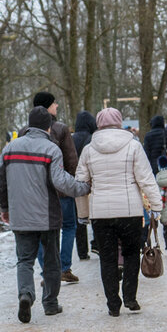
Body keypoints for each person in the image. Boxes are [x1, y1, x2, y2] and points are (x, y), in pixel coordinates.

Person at [0, 107, 90, 322]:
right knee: (51, 261)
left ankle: (25, 295)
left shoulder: (10, 148)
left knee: (25, 260)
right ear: (49, 126)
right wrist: (83, 188)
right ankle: (50, 303)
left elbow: (0, 182)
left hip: (20, 215)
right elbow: (61, 182)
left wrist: (5, 208)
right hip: (47, 215)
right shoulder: (51, 149)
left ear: (29, 125)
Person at [77, 107, 162, 316]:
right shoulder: (133, 146)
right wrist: (156, 206)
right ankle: (131, 298)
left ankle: (113, 304)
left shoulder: (89, 149)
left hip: (101, 214)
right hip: (130, 211)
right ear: (120, 122)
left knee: (107, 258)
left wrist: (83, 213)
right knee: (132, 254)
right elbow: (146, 178)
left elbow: (80, 184)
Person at [20, 91, 79, 283]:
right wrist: (73, 185)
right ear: (47, 107)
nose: (57, 106)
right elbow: (71, 160)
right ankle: (63, 267)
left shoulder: (23, 132)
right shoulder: (61, 129)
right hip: (61, 191)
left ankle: (47, 269)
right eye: (54, 103)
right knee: (69, 226)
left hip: (34, 192)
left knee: (38, 231)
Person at [72, 110, 97, 260]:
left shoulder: (71, 139)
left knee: (79, 217)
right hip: (91, 180)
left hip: (75, 182)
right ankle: (97, 244)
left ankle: (82, 251)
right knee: (95, 213)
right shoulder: (93, 139)